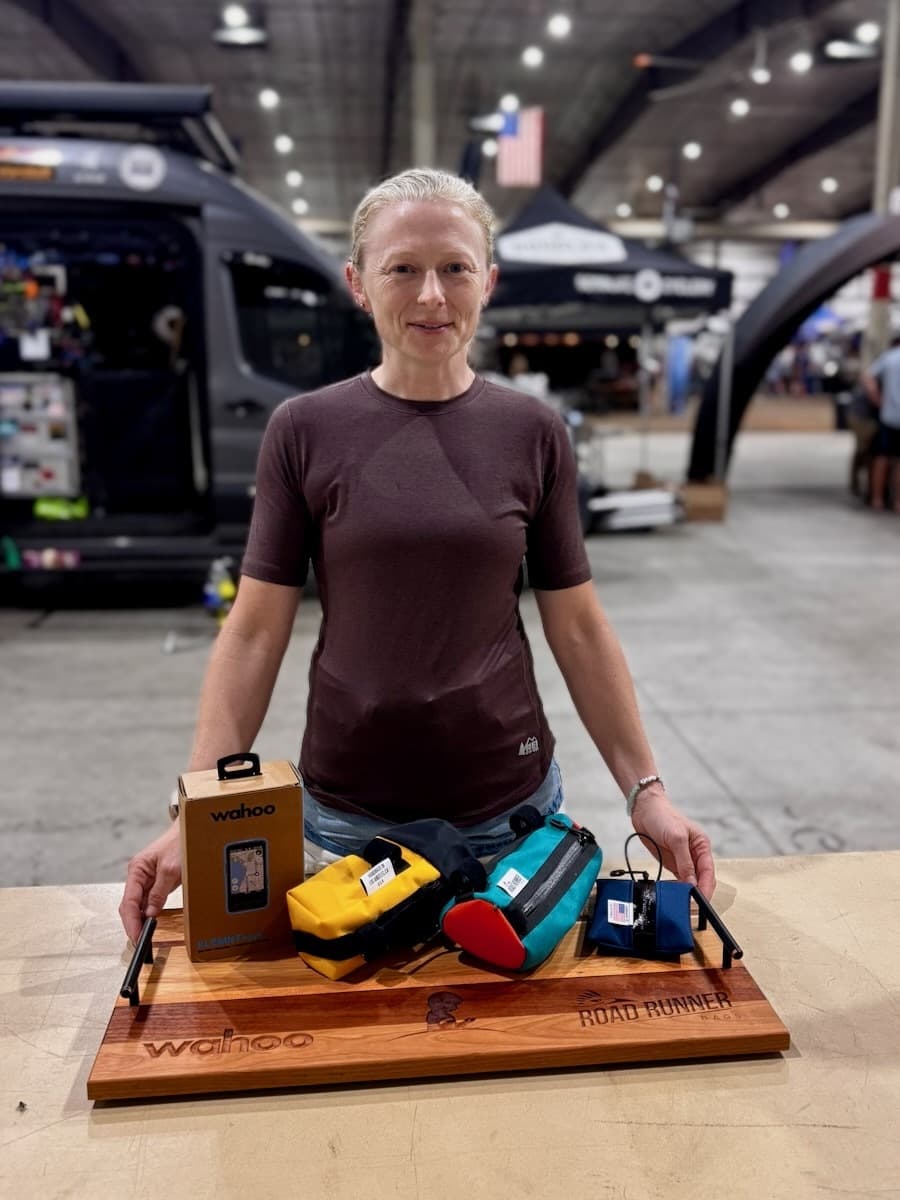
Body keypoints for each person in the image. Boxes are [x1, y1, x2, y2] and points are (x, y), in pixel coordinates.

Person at [119, 168, 716, 943]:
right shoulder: (304, 430)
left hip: (514, 818)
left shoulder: (533, 433)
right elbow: (256, 630)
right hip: (347, 828)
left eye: (455, 269)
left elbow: (578, 628)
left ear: (488, 281)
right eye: (402, 268)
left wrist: (646, 792)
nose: (431, 295)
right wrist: (195, 812)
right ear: (359, 284)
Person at [862, 335, 900, 512]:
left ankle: (877, 499)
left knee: (882, 458)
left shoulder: (889, 358)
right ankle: (897, 501)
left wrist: (877, 398)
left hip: (889, 415)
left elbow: (867, 377)